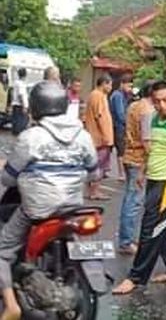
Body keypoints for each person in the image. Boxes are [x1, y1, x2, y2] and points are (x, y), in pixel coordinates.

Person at [0, 81, 98, 320]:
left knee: (2, 250)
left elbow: (7, 178)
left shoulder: (31, 137)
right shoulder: (83, 135)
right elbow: (95, 173)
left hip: (38, 209)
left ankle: (11, 305)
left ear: (35, 107)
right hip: (74, 208)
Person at [112, 81, 166, 295]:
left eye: (165, 100)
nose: (161, 105)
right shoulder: (156, 121)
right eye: (157, 101)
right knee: (161, 227)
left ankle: (135, 278)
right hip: (153, 179)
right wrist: (142, 171)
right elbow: (153, 151)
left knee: (150, 228)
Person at [117, 81, 154, 255]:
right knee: (134, 201)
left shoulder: (133, 105)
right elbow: (147, 141)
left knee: (130, 199)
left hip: (129, 154)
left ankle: (127, 237)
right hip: (139, 159)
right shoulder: (147, 111)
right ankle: (126, 241)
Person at [84, 74, 114, 200]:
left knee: (95, 164)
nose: (111, 87)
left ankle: (92, 190)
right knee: (99, 165)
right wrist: (107, 136)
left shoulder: (95, 95)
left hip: (95, 135)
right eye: (110, 84)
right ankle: (94, 191)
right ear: (104, 84)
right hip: (100, 137)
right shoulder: (98, 96)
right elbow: (100, 117)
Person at [110, 74, 134, 181]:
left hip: (121, 125)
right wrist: (128, 122)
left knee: (122, 149)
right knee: (121, 150)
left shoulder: (124, 95)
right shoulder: (118, 95)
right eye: (128, 86)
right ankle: (121, 173)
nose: (130, 89)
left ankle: (122, 172)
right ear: (122, 84)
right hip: (118, 126)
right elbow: (120, 114)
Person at [10, 69, 29, 136]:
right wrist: (24, 107)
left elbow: (12, 94)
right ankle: (18, 138)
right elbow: (21, 95)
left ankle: (14, 137)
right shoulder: (21, 84)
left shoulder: (15, 83)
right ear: (25, 75)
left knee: (15, 123)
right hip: (20, 106)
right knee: (21, 124)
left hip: (15, 105)